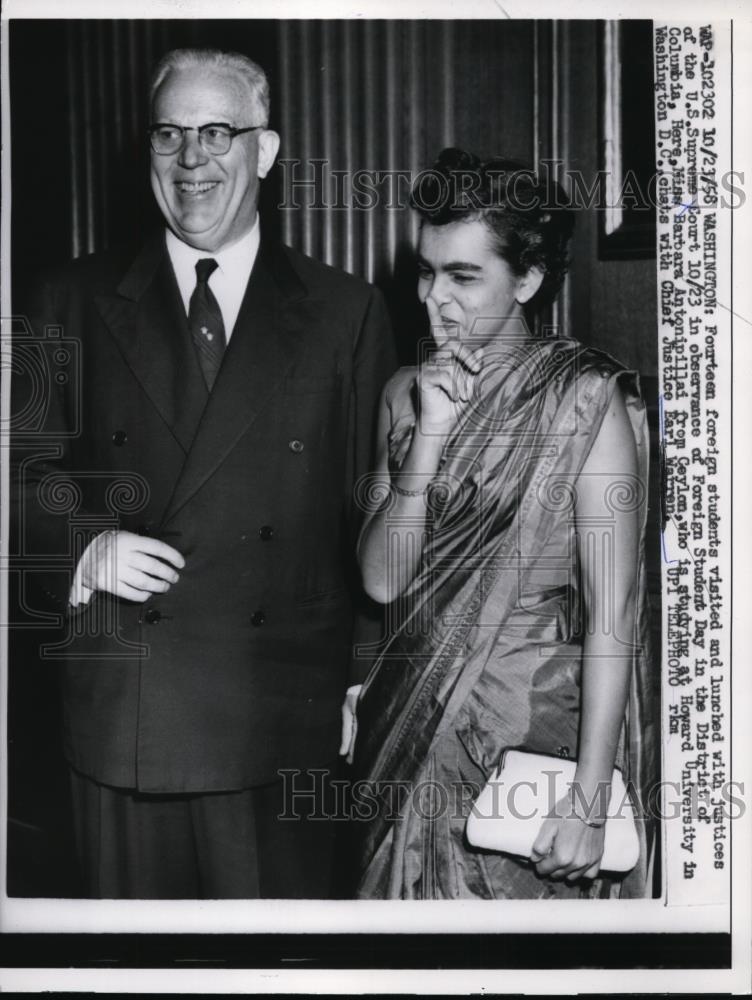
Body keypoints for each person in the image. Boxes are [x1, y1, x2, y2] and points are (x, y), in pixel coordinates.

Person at [11, 47, 395, 899]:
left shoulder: (346, 310)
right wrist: (80, 544)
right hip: (126, 716)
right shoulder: (66, 297)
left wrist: (364, 676)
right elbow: (10, 474)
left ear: (265, 151)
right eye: (170, 135)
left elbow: (369, 512)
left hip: (285, 710)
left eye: (218, 132)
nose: (192, 161)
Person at [346, 148, 657, 899]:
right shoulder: (402, 393)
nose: (434, 301)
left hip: (524, 733)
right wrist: (428, 438)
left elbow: (614, 615)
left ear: (527, 279)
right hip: (406, 726)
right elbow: (382, 578)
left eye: (462, 277)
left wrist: (589, 796)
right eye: (426, 271)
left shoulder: (587, 400)